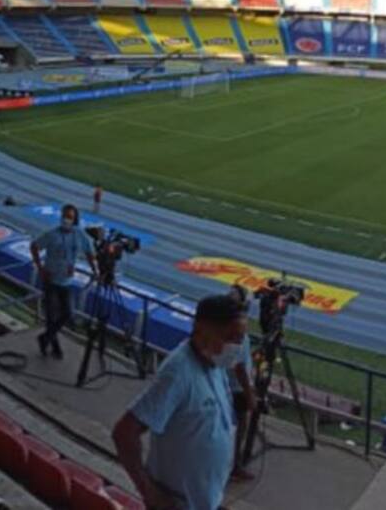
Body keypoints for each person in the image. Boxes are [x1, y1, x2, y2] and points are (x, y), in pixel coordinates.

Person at [112, 293, 246, 510]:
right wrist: (150, 493)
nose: (238, 347)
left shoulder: (216, 365)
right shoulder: (177, 373)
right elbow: (124, 432)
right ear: (203, 329)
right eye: (231, 338)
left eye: (241, 339)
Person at [30, 204, 96, 360]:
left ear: (75, 220)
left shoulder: (80, 234)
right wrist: (40, 267)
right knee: (52, 317)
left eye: (70, 217)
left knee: (67, 314)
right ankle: (55, 347)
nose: (66, 219)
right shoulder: (52, 234)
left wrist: (95, 270)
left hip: (66, 282)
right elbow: (34, 246)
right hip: (50, 281)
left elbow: (89, 252)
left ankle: (45, 338)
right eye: (65, 216)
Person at [227, 284, 257, 482]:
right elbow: (237, 365)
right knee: (239, 428)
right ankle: (234, 465)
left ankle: (231, 463)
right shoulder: (236, 328)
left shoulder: (225, 324)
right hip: (236, 388)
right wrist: (250, 393)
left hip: (228, 385)